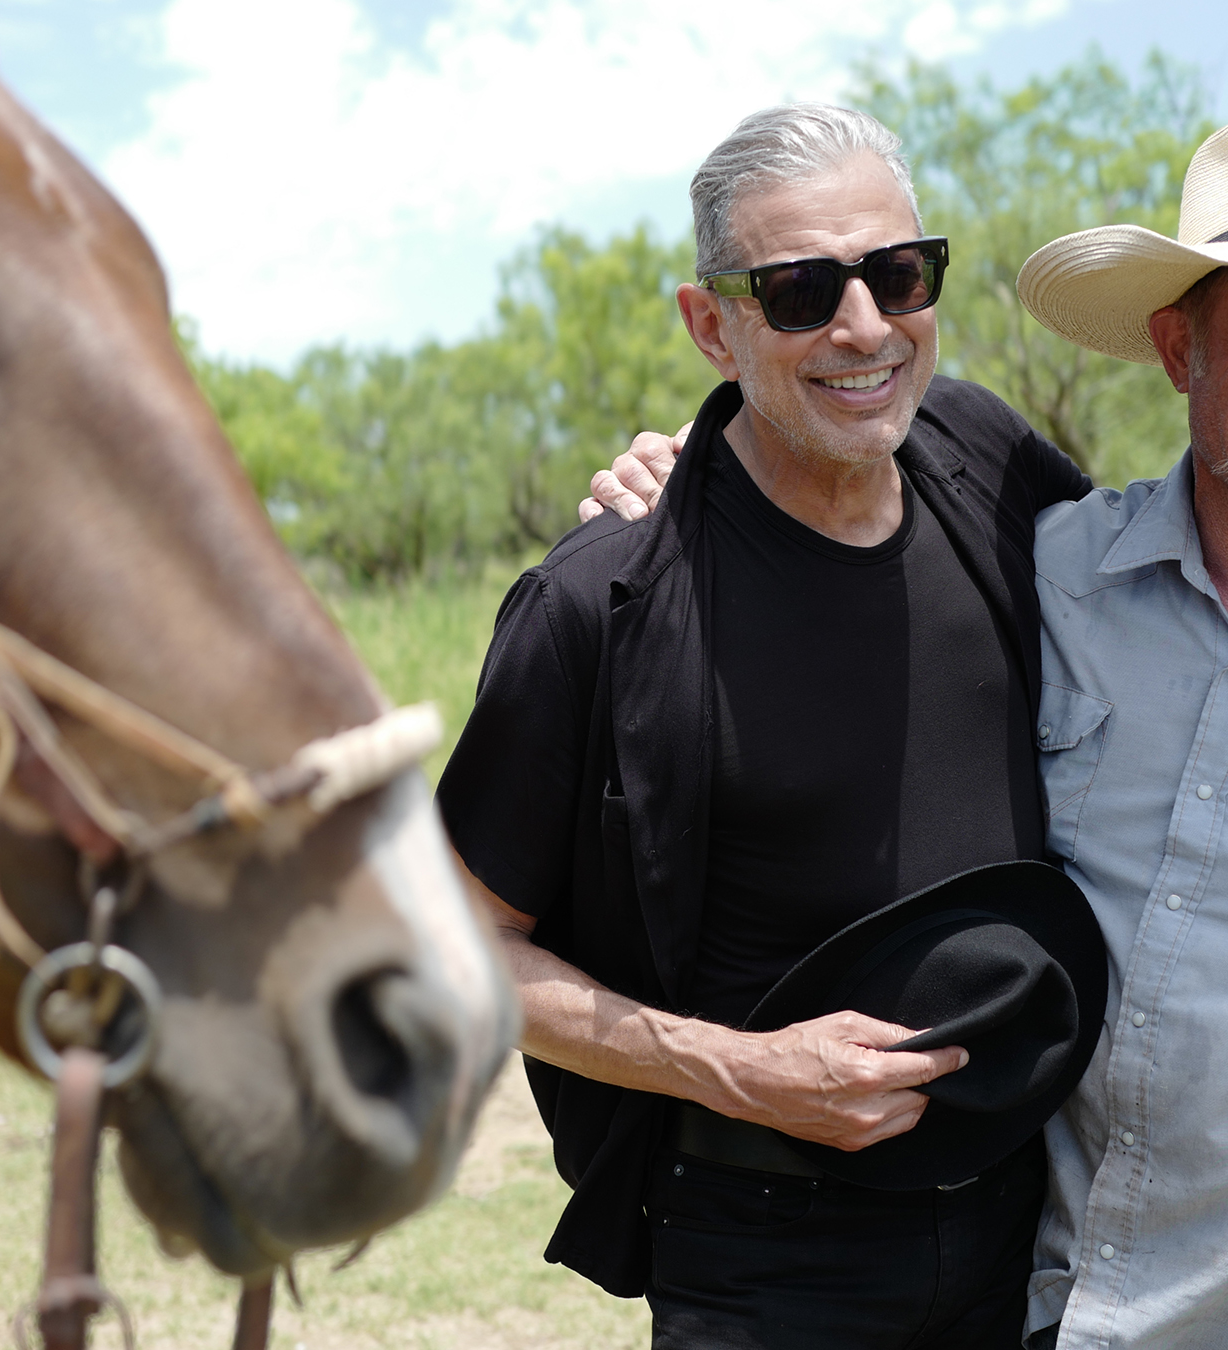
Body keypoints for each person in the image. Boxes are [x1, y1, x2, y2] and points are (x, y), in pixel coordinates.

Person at [584, 116, 1228, 1350]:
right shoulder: (1053, 572)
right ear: (1177, 346)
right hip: (1075, 1314)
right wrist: (683, 475)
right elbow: (822, 452)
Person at [436, 104, 1104, 1348]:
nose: (864, 328)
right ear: (712, 326)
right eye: (798, 291)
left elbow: (1196, 595)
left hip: (1038, 1230)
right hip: (767, 1258)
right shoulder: (600, 604)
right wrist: (740, 1068)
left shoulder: (986, 460)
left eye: (899, 275)